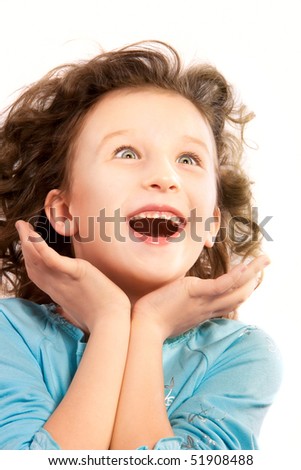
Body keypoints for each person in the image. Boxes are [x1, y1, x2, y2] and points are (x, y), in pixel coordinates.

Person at [0, 41, 281, 450]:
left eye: (188, 159)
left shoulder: (241, 357)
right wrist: (112, 323)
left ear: (210, 225)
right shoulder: (11, 333)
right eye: (127, 152)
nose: (166, 176)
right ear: (63, 212)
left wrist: (147, 328)